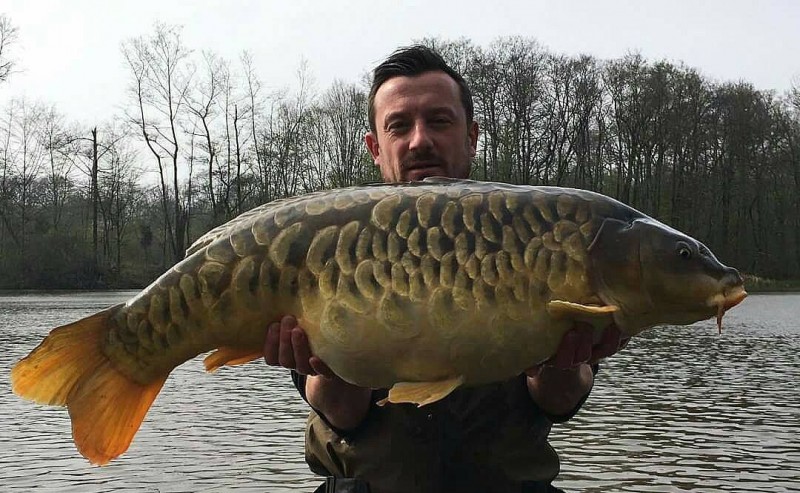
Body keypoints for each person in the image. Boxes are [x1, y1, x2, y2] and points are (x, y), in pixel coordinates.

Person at [263, 45, 628, 493]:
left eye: (439, 121)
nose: (419, 140)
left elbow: (559, 399)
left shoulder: (535, 233)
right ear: (375, 147)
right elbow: (343, 413)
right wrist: (326, 365)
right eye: (399, 126)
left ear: (471, 136)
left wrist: (564, 362)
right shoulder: (332, 240)